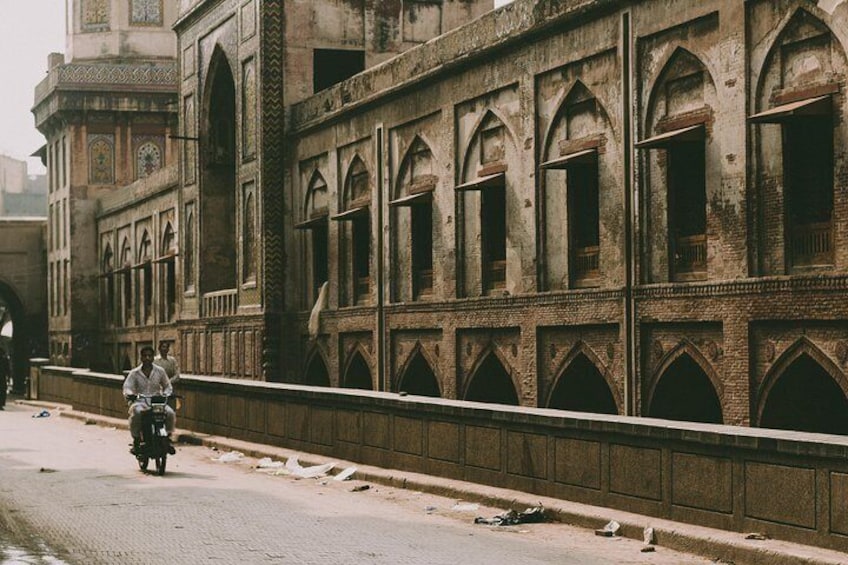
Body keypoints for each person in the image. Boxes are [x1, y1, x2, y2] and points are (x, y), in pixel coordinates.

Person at [123, 346, 176, 455]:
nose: (147, 358)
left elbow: (167, 386)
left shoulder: (160, 371)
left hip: (157, 401)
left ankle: (167, 437)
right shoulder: (134, 373)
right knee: (136, 414)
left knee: (170, 413)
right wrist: (130, 394)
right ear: (141, 357)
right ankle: (136, 439)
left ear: (153, 357)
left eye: (149, 356)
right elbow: (127, 387)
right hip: (140, 402)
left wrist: (166, 394)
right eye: (145, 356)